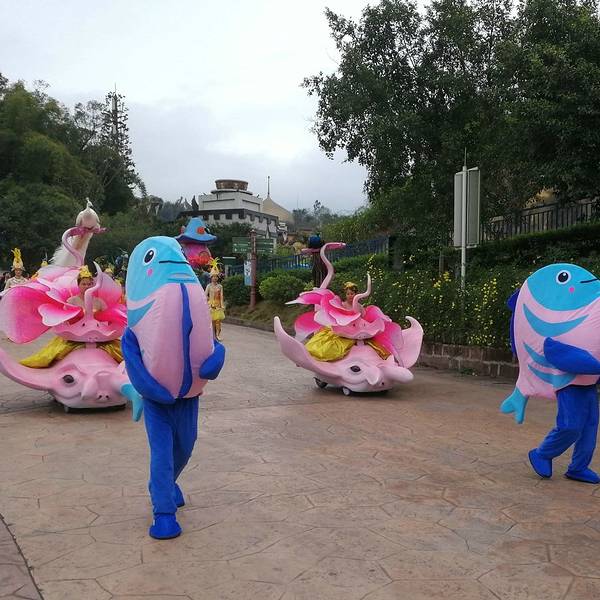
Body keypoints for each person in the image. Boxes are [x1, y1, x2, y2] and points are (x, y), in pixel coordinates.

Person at [205, 260, 225, 341]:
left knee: (218, 321)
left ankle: (218, 335)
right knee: (212, 321)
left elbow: (221, 296)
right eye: (213, 276)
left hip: (218, 305)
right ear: (211, 278)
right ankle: (212, 335)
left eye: (216, 276)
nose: (215, 278)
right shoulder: (209, 286)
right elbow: (205, 295)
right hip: (211, 305)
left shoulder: (220, 286)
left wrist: (222, 305)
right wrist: (207, 302)